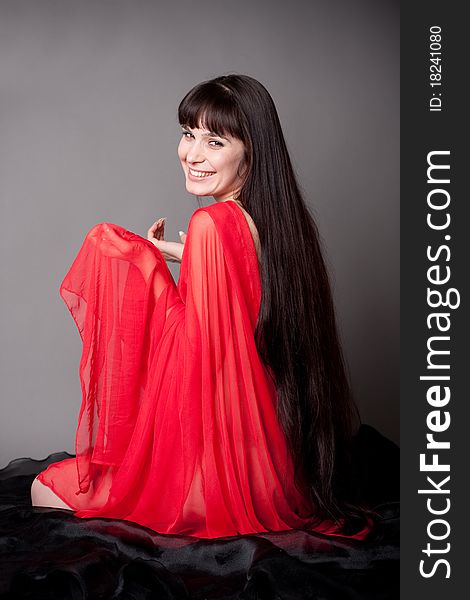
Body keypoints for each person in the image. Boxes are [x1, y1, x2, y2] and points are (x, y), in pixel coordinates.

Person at [31, 74, 375, 539]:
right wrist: (177, 254)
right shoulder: (273, 222)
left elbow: (197, 359)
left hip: (217, 465)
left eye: (214, 142)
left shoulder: (211, 223)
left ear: (251, 153)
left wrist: (142, 271)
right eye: (188, 134)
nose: (192, 154)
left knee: (43, 488)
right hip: (269, 460)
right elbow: (239, 294)